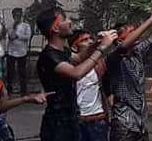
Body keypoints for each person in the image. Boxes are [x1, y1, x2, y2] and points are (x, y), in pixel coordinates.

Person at [34, 8, 117, 141]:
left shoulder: (63, 51)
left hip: (70, 119)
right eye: (65, 19)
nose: (70, 22)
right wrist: (102, 48)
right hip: (58, 124)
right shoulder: (49, 56)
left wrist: (97, 43)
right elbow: (76, 73)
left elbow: (79, 58)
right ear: (55, 28)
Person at [107, 11, 152, 141]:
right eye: (131, 32)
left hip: (141, 124)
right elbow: (123, 48)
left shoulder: (137, 52)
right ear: (120, 38)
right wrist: (149, 21)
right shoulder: (113, 57)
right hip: (124, 124)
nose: (136, 34)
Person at [70, 29, 109, 141]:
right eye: (84, 40)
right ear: (74, 47)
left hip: (97, 121)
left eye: (90, 38)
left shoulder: (99, 64)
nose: (90, 41)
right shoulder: (68, 65)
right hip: (76, 121)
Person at [6, 9, 31, 96]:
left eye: (19, 15)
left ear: (21, 16)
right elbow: (11, 37)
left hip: (22, 52)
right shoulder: (10, 26)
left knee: (22, 72)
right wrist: (14, 28)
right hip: (11, 52)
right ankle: (9, 91)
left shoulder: (26, 26)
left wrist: (18, 35)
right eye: (15, 15)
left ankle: (23, 91)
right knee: (10, 72)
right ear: (13, 16)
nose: (17, 17)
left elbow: (28, 36)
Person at [0, 13, 6, 81]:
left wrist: (3, 25)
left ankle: (1, 86)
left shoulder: (0, 24)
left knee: (0, 69)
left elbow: (2, 35)